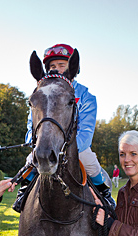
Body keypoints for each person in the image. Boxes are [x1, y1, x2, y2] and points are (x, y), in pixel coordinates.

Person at [13, 43, 115, 212]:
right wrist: (33, 142)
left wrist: (65, 148)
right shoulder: (42, 94)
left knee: (89, 159)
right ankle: (24, 191)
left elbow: (86, 134)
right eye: (53, 66)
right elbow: (31, 127)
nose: (57, 69)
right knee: (31, 160)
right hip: (46, 143)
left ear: (72, 68)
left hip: (76, 147)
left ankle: (104, 194)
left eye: (62, 65)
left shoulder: (87, 97)